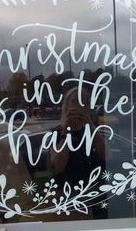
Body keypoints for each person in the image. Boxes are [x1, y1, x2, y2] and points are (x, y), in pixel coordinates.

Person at [50, 87, 108, 220]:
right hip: (71, 198)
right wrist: (66, 129)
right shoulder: (57, 133)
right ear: (67, 105)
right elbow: (58, 166)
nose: (77, 105)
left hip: (96, 197)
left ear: (87, 107)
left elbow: (107, 156)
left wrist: (89, 124)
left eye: (83, 102)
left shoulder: (92, 133)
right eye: (73, 101)